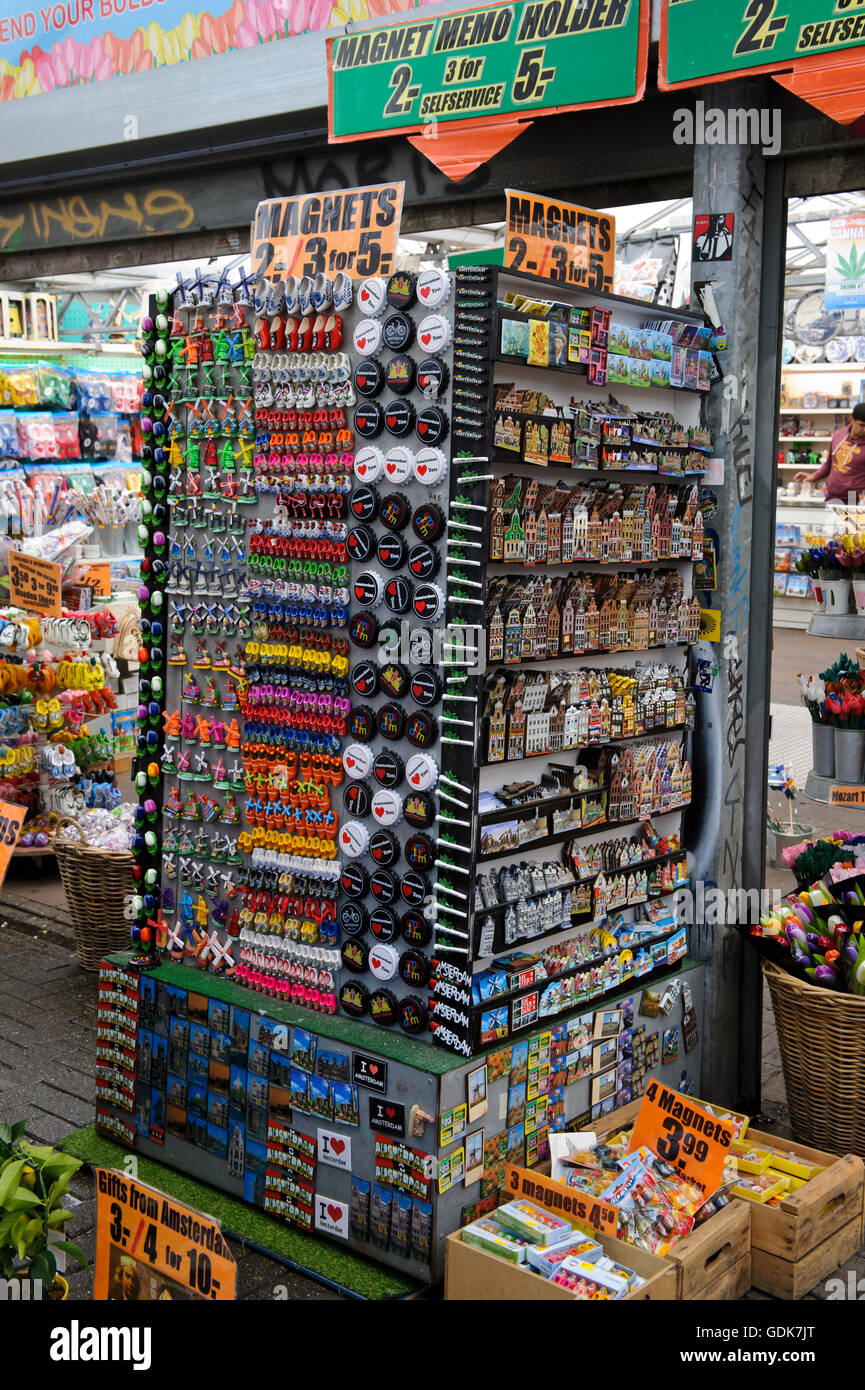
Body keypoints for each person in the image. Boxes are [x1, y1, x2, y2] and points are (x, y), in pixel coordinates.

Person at [794, 402, 865, 500]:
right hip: (832, 494)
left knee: (850, 515)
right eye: (862, 425)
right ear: (852, 420)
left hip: (853, 497)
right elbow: (829, 465)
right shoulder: (839, 436)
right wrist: (812, 477)